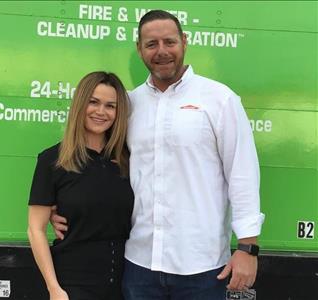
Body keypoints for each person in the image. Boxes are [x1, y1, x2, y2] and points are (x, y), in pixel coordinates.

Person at [52, 10, 265, 300]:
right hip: (139, 266)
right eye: (151, 44)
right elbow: (98, 162)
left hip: (202, 268)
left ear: (184, 42)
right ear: (139, 49)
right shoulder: (129, 104)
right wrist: (62, 205)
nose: (161, 51)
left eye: (169, 42)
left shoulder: (219, 100)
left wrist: (247, 248)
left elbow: (243, 174)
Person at [27, 71, 134, 300]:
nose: (101, 112)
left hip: (125, 284)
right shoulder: (52, 160)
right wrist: (54, 289)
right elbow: (35, 229)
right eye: (93, 102)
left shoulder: (128, 159)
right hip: (73, 285)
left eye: (110, 106)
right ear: (80, 104)